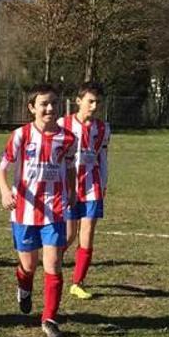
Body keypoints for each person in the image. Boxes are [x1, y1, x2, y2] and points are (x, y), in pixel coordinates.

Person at [0, 83, 77, 337]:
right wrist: (5, 192)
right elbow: (1, 169)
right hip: (24, 212)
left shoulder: (67, 139)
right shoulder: (21, 136)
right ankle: (24, 287)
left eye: (54, 102)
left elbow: (71, 168)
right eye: (43, 103)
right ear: (32, 107)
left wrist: (72, 192)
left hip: (54, 210)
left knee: (53, 263)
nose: (50, 108)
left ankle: (50, 318)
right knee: (28, 265)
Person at [60, 82, 111, 299]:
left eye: (97, 102)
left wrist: (105, 183)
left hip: (93, 185)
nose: (94, 105)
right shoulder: (64, 124)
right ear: (78, 101)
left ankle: (77, 282)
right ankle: (53, 260)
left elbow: (103, 158)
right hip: (69, 186)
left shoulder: (103, 129)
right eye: (90, 101)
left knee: (88, 232)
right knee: (70, 234)